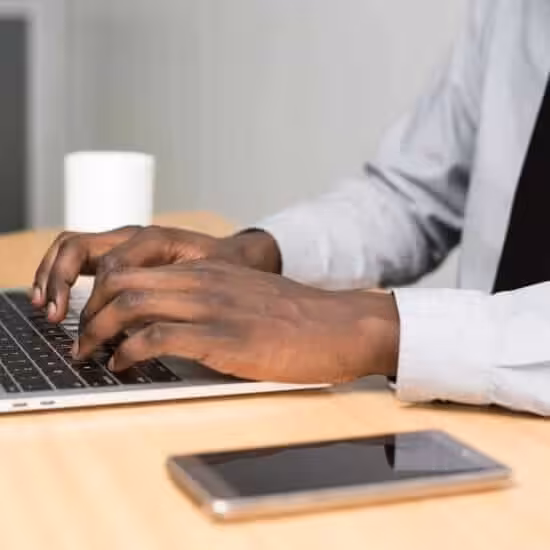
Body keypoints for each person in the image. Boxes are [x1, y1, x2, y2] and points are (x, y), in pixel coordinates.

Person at [32, 0, 550, 416]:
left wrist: (377, 328)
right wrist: (254, 253)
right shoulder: (512, 11)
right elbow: (413, 197)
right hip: (487, 428)